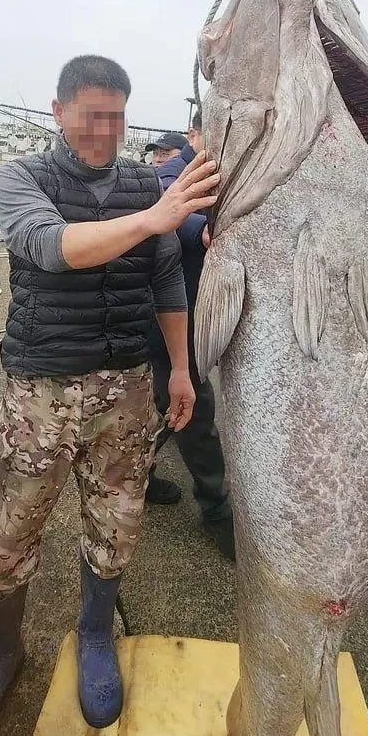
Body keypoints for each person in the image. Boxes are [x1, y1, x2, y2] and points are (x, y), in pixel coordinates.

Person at [0, 55, 219, 736]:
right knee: (16, 528)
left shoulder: (141, 183)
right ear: (59, 110)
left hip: (127, 387)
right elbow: (50, 248)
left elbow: (166, 282)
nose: (106, 130)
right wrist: (155, 216)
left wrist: (180, 369)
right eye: (93, 115)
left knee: (118, 521)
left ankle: (96, 633)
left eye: (117, 116)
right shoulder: (23, 177)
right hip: (42, 389)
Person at [144, 109, 235, 559]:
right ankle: (217, 509)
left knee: (159, 406)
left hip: (195, 308)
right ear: (194, 134)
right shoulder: (174, 171)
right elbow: (171, 209)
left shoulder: (226, 172)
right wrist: (201, 232)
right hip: (169, 316)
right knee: (194, 409)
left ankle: (140, 474)